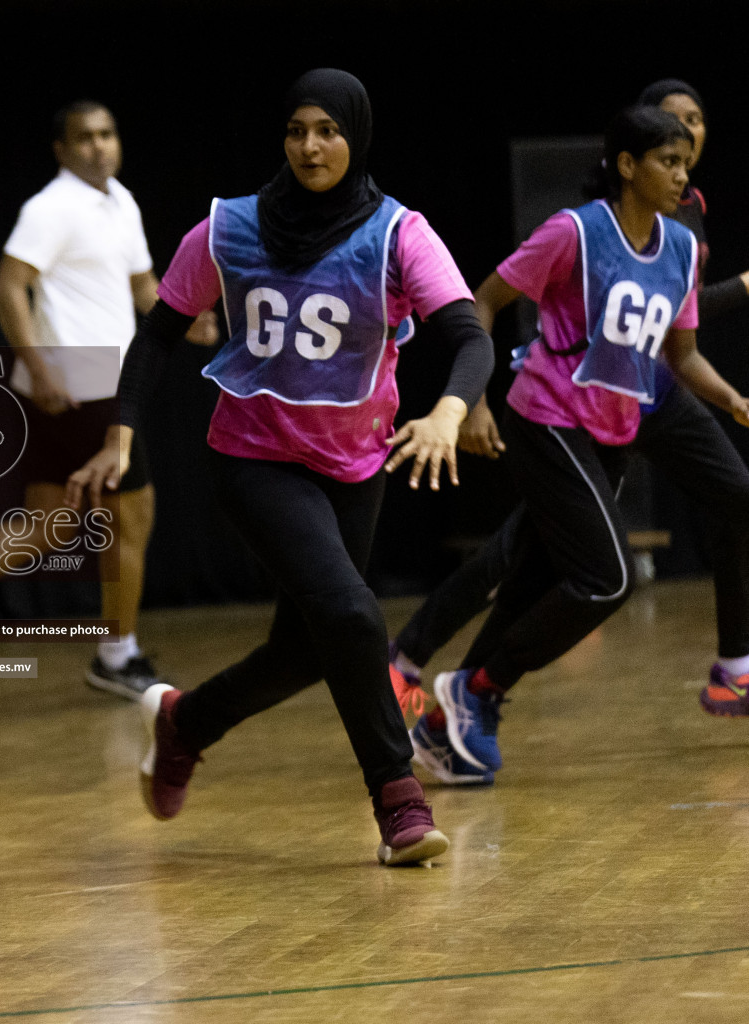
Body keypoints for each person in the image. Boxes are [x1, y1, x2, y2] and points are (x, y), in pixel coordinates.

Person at [70, 70, 494, 865]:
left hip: (353, 465)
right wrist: (122, 429)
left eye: (327, 131)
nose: (309, 146)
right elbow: (159, 332)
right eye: (296, 130)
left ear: (355, 136)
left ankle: (183, 724)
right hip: (255, 461)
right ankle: (397, 803)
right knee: (351, 613)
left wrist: (447, 409)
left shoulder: (398, 234)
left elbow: (471, 337)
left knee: (306, 648)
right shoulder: (227, 229)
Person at [390, 81, 749, 757]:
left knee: (532, 572)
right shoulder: (574, 232)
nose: (681, 172)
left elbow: (681, 354)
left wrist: (732, 402)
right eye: (665, 158)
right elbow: (481, 302)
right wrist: (474, 400)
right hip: (547, 417)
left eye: (685, 157)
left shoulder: (678, 247)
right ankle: (460, 687)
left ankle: (445, 719)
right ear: (625, 165)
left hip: (610, 428)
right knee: (605, 578)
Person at [0, 100, 219, 701]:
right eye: (84, 138)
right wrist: (41, 367)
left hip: (91, 379)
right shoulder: (51, 207)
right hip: (82, 379)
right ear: (62, 150)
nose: (99, 146)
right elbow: (8, 287)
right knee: (130, 521)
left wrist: (186, 319)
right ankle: (116, 655)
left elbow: (142, 286)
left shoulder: (120, 200)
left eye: (108, 134)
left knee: (50, 522)